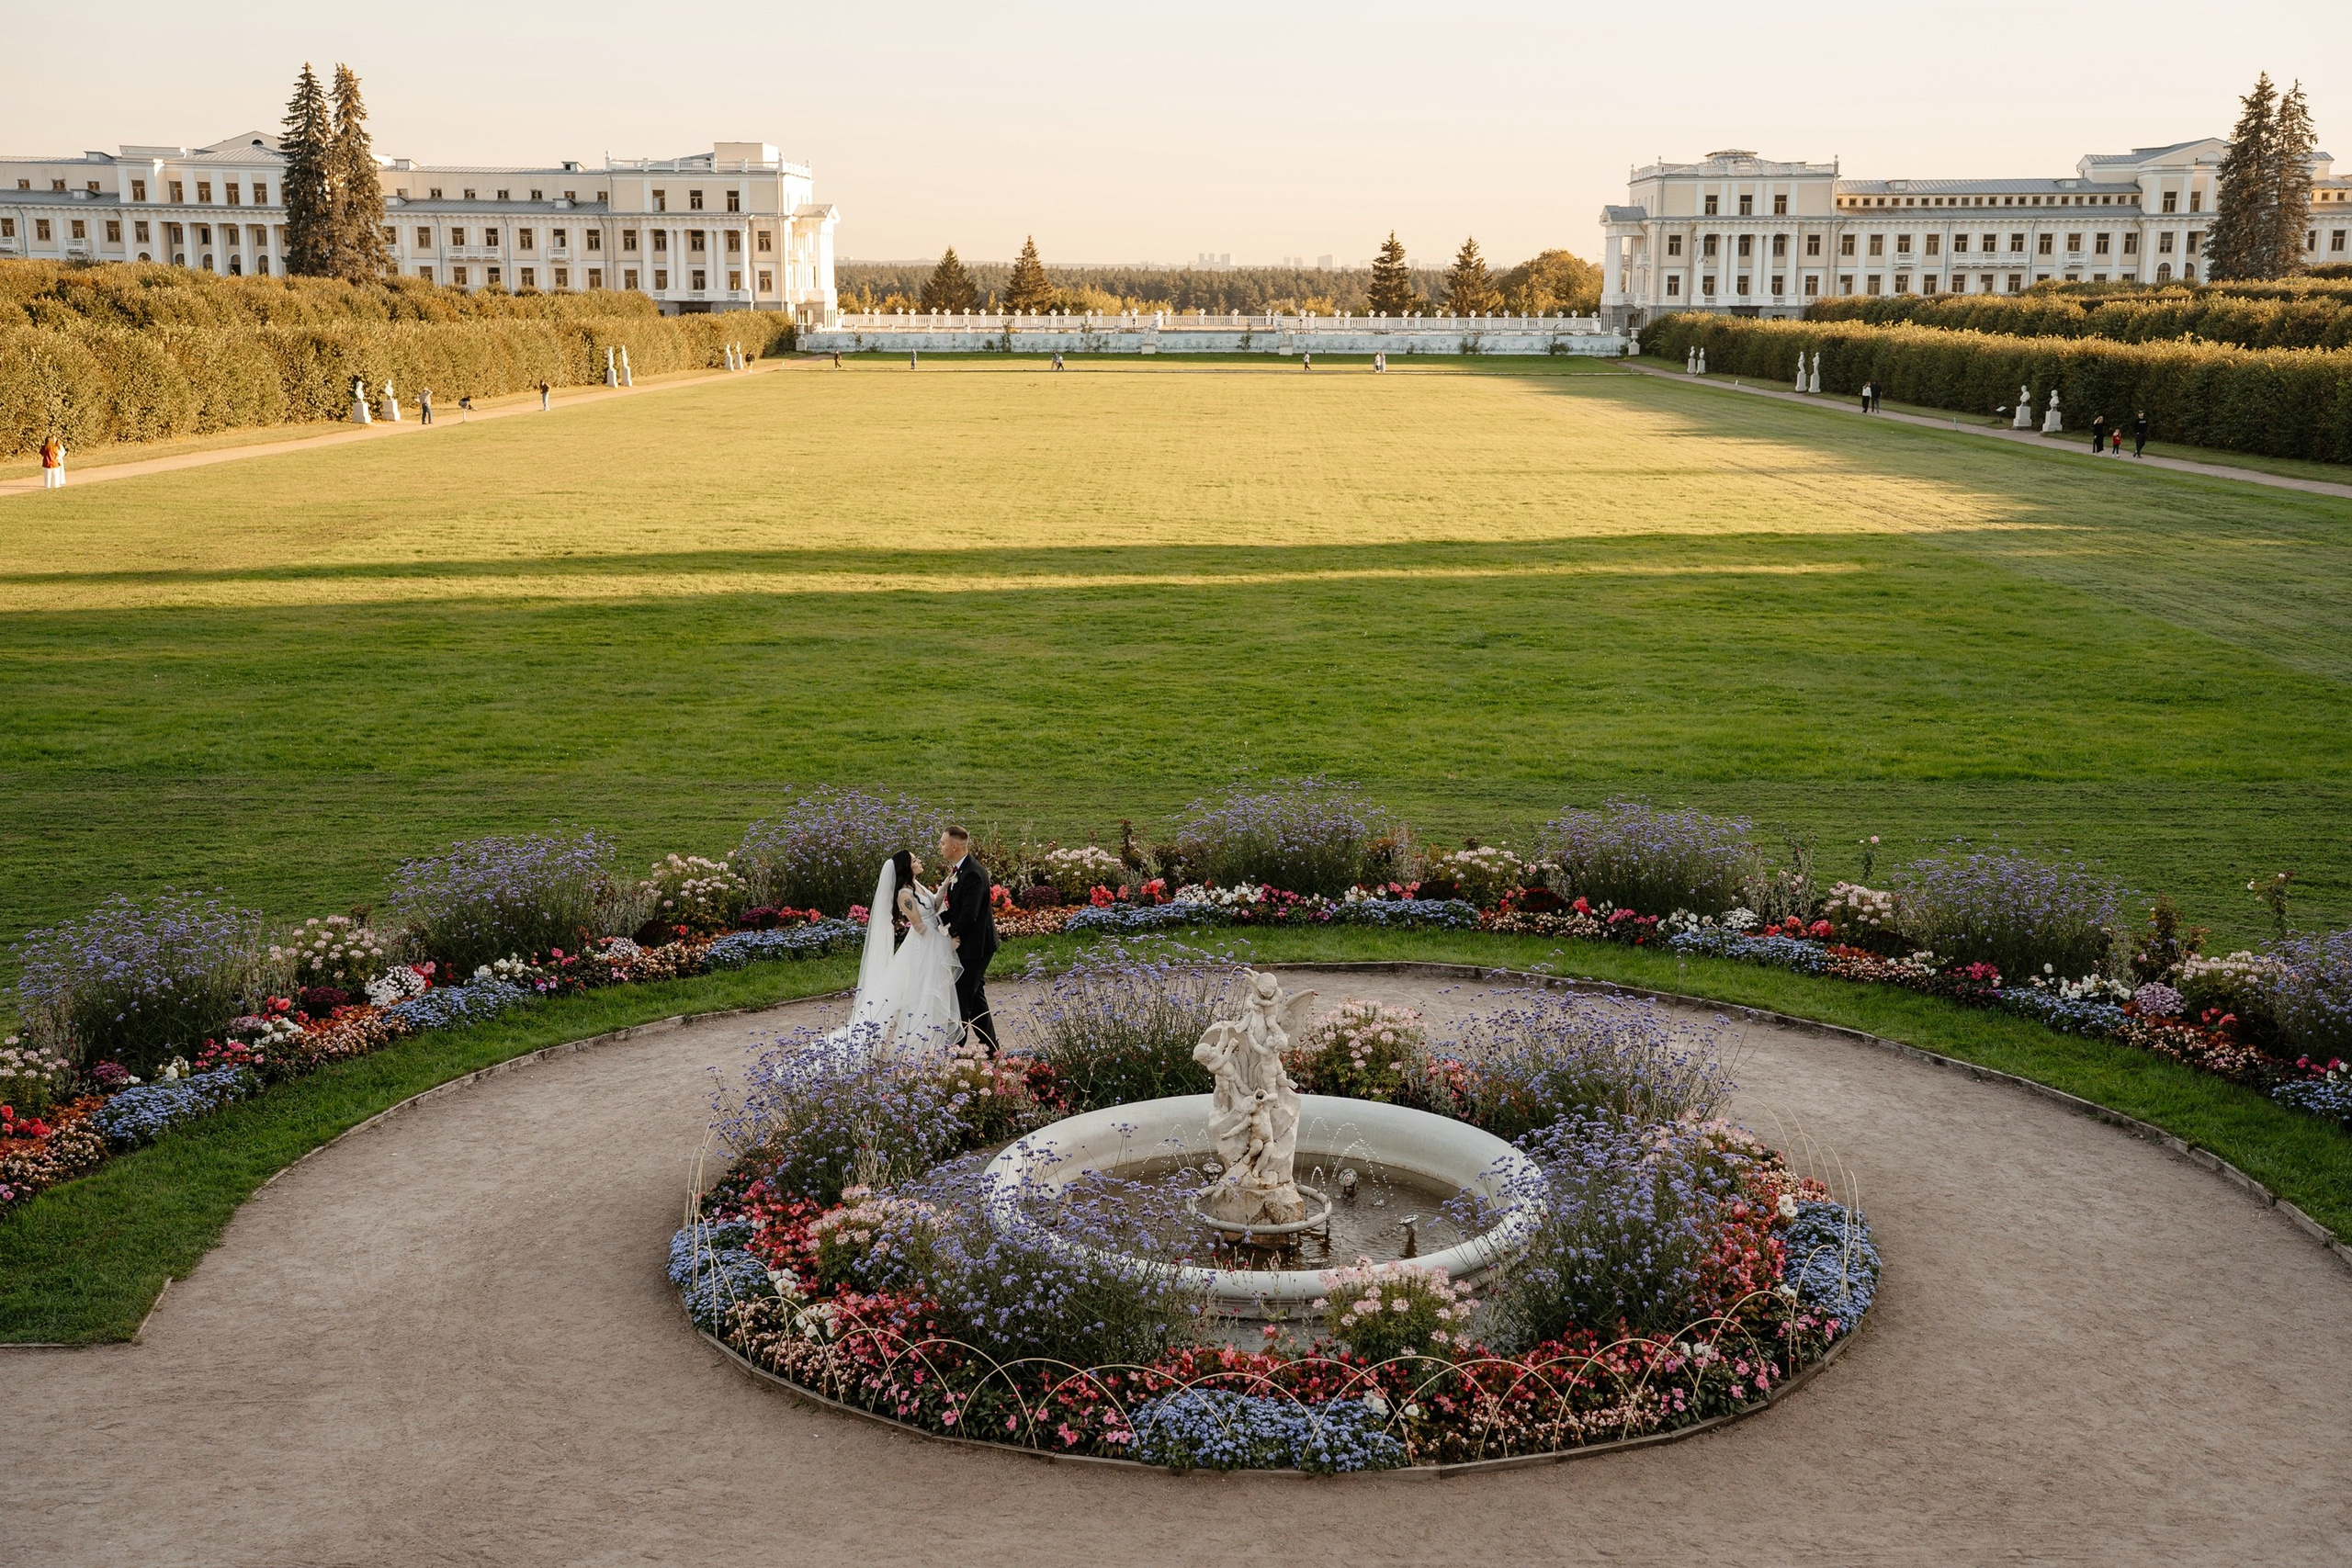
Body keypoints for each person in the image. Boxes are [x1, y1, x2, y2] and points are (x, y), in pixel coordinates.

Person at [824, 850, 962, 1060]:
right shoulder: (905, 895)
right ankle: (915, 1048)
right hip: (921, 947)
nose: (919, 861)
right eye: (915, 860)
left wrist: (946, 885)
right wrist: (946, 943)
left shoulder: (918, 887)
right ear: (907, 867)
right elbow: (919, 927)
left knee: (928, 991)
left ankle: (930, 1044)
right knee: (920, 993)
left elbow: (933, 906)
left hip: (931, 943)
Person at [935, 825, 1000, 1055]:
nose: (940, 847)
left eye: (942, 843)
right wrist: (937, 920)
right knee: (975, 996)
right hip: (970, 945)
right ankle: (993, 1050)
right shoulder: (960, 871)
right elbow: (958, 909)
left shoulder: (973, 873)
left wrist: (948, 934)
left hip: (976, 947)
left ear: (954, 846)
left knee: (961, 997)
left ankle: (952, 1052)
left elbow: (969, 915)